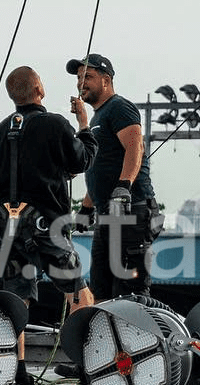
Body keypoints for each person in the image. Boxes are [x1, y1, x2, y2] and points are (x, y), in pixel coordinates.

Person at [0, 66, 97, 385]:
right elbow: (81, 160)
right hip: (46, 225)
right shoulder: (55, 124)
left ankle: (18, 377)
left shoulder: (2, 129)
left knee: (16, 299)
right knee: (78, 292)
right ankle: (90, 370)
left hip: (8, 226)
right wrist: (83, 123)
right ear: (40, 89)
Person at [67, 52, 159, 299]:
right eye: (78, 78)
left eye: (88, 76)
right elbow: (100, 169)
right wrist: (86, 209)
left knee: (129, 293)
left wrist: (124, 187)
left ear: (106, 80)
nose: (80, 82)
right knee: (101, 291)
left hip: (131, 212)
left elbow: (135, 147)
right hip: (108, 216)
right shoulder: (98, 117)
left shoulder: (119, 107)